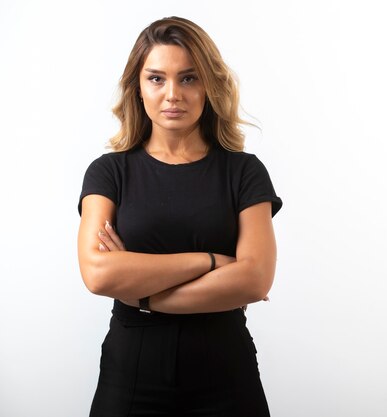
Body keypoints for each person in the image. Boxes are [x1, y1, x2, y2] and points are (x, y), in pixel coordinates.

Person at [77, 16, 282, 417]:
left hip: (226, 370)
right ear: (137, 87)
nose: (173, 94)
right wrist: (208, 262)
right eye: (156, 79)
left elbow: (255, 280)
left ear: (209, 85)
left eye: (188, 78)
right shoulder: (109, 172)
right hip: (132, 369)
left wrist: (143, 294)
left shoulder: (243, 172)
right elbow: (99, 275)